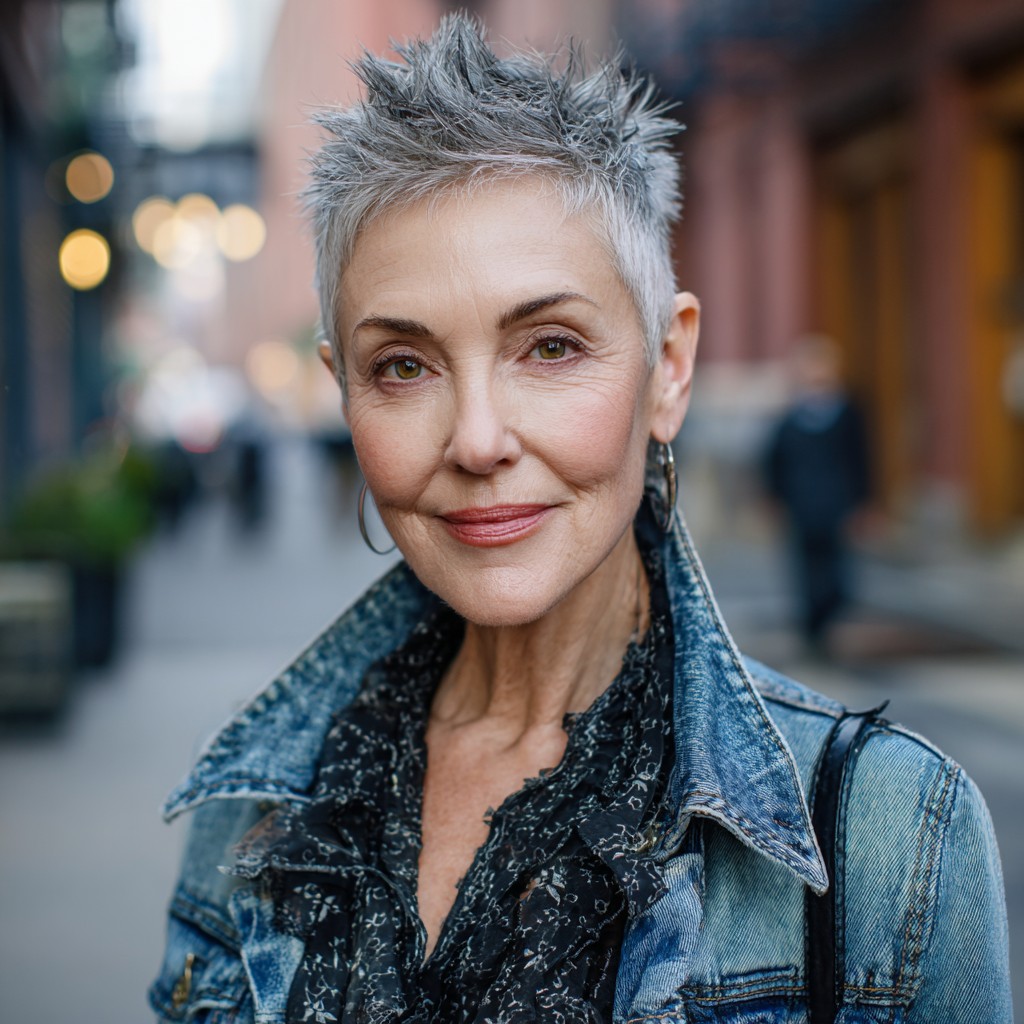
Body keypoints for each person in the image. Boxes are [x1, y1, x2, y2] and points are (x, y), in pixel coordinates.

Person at [150, 16, 1011, 1024]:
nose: (476, 439)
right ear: (345, 395)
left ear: (669, 367)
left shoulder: (888, 830)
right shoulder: (255, 816)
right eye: (403, 365)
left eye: (549, 347)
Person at [763, 336, 871, 652]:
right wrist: (773, 497)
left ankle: (832, 608)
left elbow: (862, 458)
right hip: (801, 502)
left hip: (837, 500)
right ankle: (813, 621)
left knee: (837, 563)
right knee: (806, 563)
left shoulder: (848, 413)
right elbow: (774, 461)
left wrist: (864, 501)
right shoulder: (790, 418)